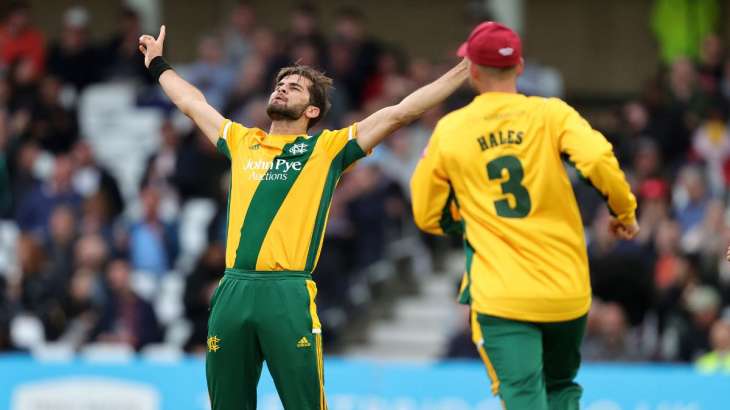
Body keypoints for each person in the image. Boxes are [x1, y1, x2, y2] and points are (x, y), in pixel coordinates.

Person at [137, 25, 468, 410]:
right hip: (233, 290)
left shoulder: (326, 150)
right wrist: (159, 64)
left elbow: (400, 113)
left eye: (294, 87)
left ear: (312, 110)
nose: (282, 88)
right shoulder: (243, 142)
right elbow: (192, 103)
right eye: (280, 84)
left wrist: (463, 71)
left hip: (287, 293)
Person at [410, 22, 638, 410]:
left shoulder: (451, 130)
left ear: (472, 70)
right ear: (519, 67)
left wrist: (468, 220)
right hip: (566, 290)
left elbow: (425, 212)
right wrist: (624, 212)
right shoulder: (551, 114)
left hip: (502, 296)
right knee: (562, 387)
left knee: (524, 400)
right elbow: (598, 158)